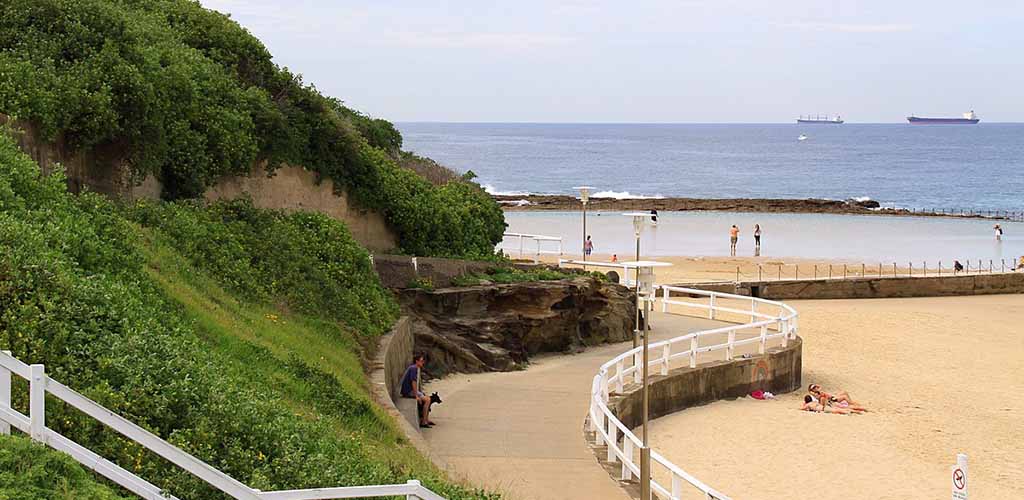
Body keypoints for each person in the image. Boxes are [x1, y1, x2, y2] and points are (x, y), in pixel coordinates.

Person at [400, 354, 434, 428]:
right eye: (421, 361)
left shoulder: (415, 368)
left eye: (423, 361)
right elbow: (413, 382)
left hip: (410, 390)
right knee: (428, 400)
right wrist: (416, 396)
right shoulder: (414, 368)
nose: (423, 363)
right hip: (408, 391)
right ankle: (424, 422)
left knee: (427, 397)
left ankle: (426, 419)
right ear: (416, 361)